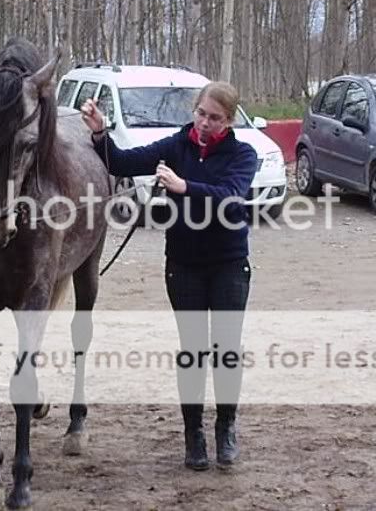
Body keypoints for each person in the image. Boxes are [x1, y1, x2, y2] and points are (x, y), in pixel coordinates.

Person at [81, 81, 258, 470]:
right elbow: (122, 162)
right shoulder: (175, 146)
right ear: (193, 111)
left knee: (227, 351)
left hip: (229, 264)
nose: (206, 123)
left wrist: (184, 186)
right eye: (201, 114)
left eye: (215, 118)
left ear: (228, 121)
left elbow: (231, 194)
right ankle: (193, 434)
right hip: (183, 266)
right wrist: (100, 131)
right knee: (193, 350)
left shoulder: (244, 154)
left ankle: (225, 428)